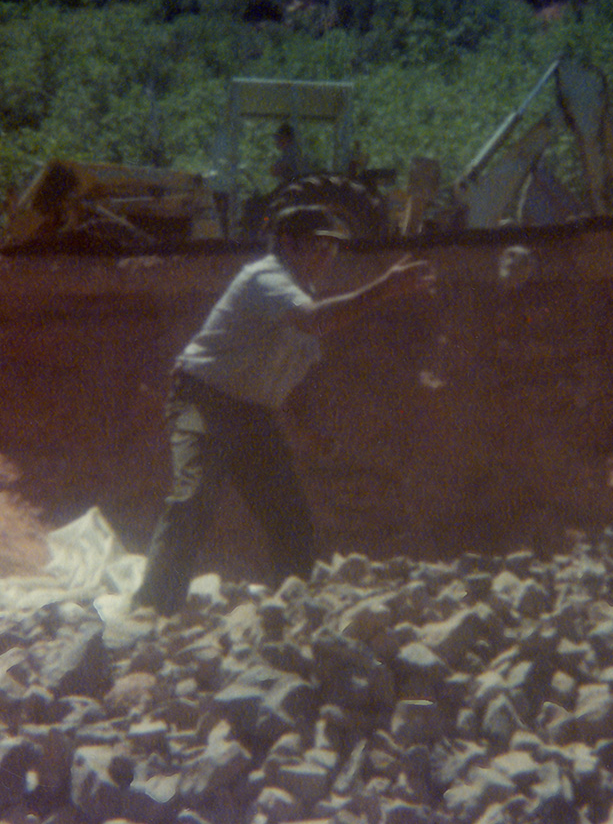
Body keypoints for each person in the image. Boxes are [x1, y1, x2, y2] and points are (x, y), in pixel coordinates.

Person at [134, 203, 436, 616]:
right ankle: (152, 607)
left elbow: (284, 379)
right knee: (194, 496)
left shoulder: (299, 294)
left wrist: (307, 429)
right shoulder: (266, 278)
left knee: (290, 516)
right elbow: (313, 321)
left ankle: (291, 610)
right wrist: (385, 287)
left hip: (254, 414)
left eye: (332, 249)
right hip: (204, 399)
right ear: (287, 243)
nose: (326, 257)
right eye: (317, 246)